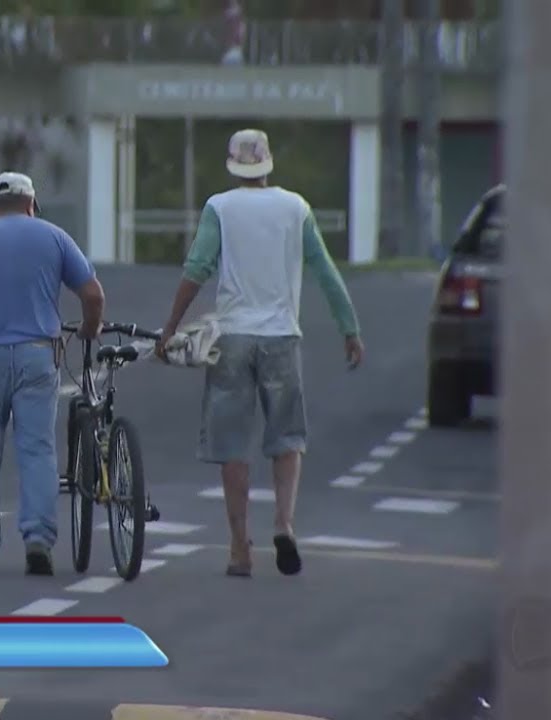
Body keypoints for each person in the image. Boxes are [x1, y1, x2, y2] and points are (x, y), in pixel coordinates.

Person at [154, 129, 364, 578]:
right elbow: (325, 271)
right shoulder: (296, 208)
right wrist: (349, 327)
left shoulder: (220, 208)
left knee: (233, 445)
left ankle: (238, 547)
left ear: (233, 165)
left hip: (231, 338)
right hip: (281, 339)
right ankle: (284, 524)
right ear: (268, 164)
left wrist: (171, 327)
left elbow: (196, 270)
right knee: (287, 438)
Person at [0, 171, 105, 576]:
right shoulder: (55, 238)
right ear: (32, 204)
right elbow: (93, 293)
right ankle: (38, 540)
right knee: (37, 449)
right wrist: (90, 328)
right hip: (37, 357)